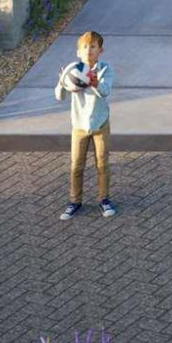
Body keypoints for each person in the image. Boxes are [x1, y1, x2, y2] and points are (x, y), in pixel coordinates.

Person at [54, 29, 114, 219]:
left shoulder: (105, 69)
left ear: (100, 51)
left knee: (102, 164)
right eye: (84, 47)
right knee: (76, 165)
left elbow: (105, 91)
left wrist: (94, 83)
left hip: (100, 124)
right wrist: (62, 82)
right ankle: (75, 202)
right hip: (79, 126)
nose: (88, 50)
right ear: (78, 52)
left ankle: (104, 200)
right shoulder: (74, 71)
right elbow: (59, 96)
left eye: (93, 47)